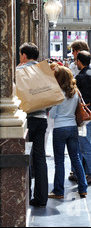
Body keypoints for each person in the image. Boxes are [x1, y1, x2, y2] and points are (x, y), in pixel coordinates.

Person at [48, 66, 88, 199]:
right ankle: (83, 188)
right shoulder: (75, 92)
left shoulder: (57, 93)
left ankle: (59, 190)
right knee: (76, 158)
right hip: (72, 128)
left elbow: (52, 115)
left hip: (60, 128)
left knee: (59, 161)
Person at [17, 43, 49, 207]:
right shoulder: (45, 71)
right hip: (42, 117)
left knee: (24, 157)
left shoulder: (19, 70)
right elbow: (52, 95)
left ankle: (25, 193)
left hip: (26, 119)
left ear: (23, 55)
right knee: (40, 157)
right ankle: (42, 197)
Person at [74, 51, 91, 184]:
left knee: (85, 145)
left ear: (79, 61)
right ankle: (81, 171)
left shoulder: (81, 77)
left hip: (84, 117)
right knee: (86, 143)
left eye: (76, 60)